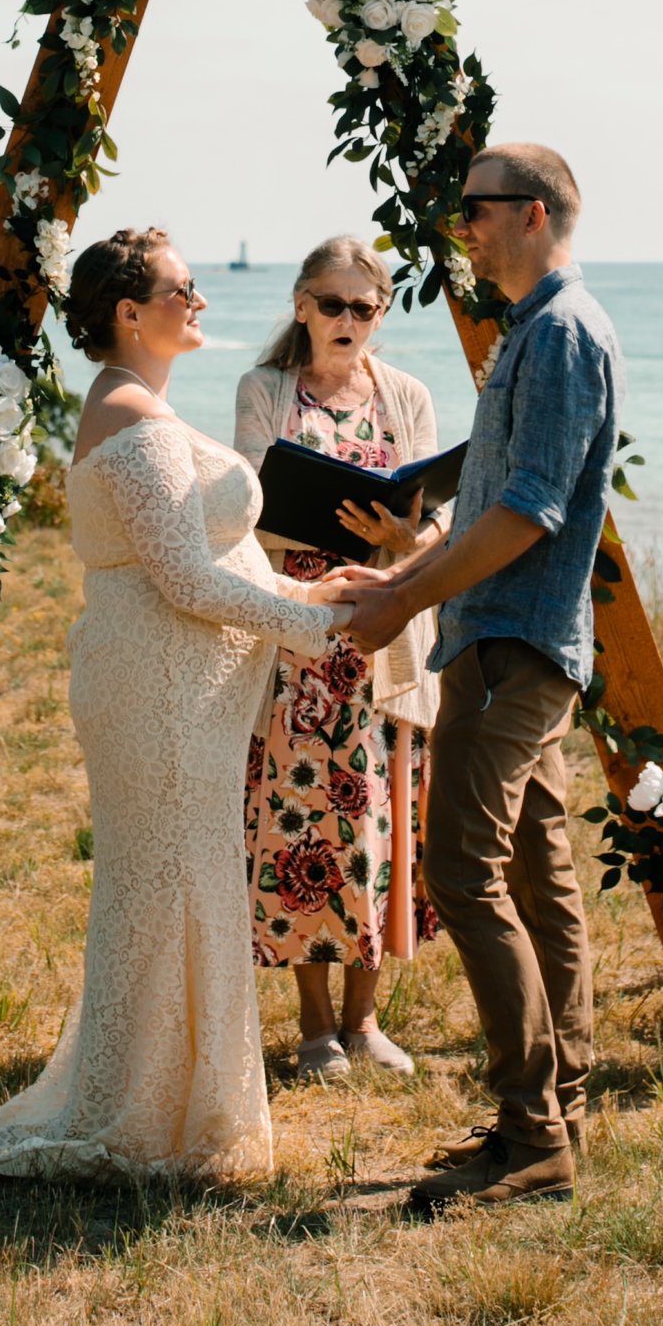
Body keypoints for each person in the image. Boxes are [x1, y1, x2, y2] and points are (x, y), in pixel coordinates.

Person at [0, 227, 353, 1186]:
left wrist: (315, 600)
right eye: (182, 289)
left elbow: (197, 568)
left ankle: (176, 1098)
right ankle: (144, 1111)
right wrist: (313, 627)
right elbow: (187, 582)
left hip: (180, 696)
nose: (198, 302)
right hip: (159, 695)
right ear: (129, 311)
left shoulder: (138, 408)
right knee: (169, 891)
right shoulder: (129, 418)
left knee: (180, 888)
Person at [333, 144, 620, 1216]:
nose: (460, 227)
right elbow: (489, 494)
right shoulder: (531, 331)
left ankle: (536, 1132)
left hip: (519, 642)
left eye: (477, 210)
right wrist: (406, 569)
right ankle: (548, 1119)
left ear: (534, 215)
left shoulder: (559, 335)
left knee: (459, 866)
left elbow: (529, 510)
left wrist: (404, 603)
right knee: (539, 876)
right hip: (497, 635)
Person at [235, 235, 443, 1080]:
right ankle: (313, 1028)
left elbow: (436, 522)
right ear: (300, 305)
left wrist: (405, 537)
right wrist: (323, 532)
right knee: (298, 824)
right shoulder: (265, 390)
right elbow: (248, 509)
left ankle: (365, 1022)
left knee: (379, 826)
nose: (347, 320)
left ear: (382, 314)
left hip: (385, 634)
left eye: (364, 307)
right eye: (332, 304)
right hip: (299, 638)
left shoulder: (408, 396)